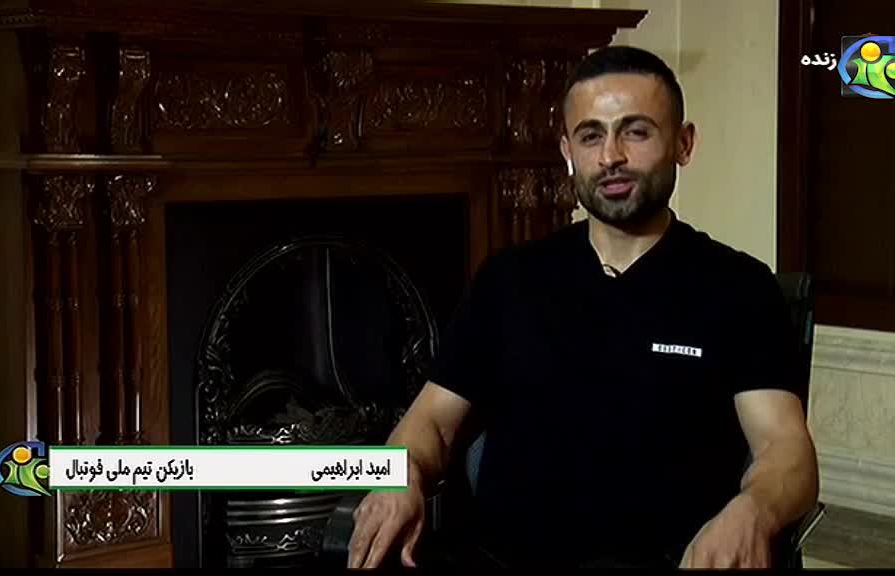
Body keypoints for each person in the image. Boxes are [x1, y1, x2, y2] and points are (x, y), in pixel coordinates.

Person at [346, 45, 819, 569]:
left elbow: (785, 451)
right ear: (568, 151)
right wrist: (398, 477)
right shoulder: (508, 280)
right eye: (591, 136)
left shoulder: (738, 287)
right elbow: (430, 422)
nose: (610, 156)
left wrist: (753, 512)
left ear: (683, 144)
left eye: (636, 132)